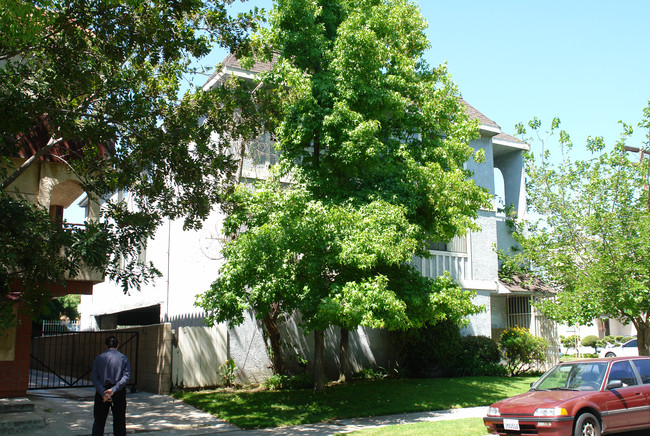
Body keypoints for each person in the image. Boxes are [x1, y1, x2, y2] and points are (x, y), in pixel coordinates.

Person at [91, 335, 131, 436]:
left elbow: (95, 378)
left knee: (99, 421)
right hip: (118, 391)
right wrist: (114, 390)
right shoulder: (123, 358)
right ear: (118, 345)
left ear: (105, 346)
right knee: (119, 421)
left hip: (102, 391)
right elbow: (126, 376)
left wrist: (103, 392)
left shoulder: (99, 358)